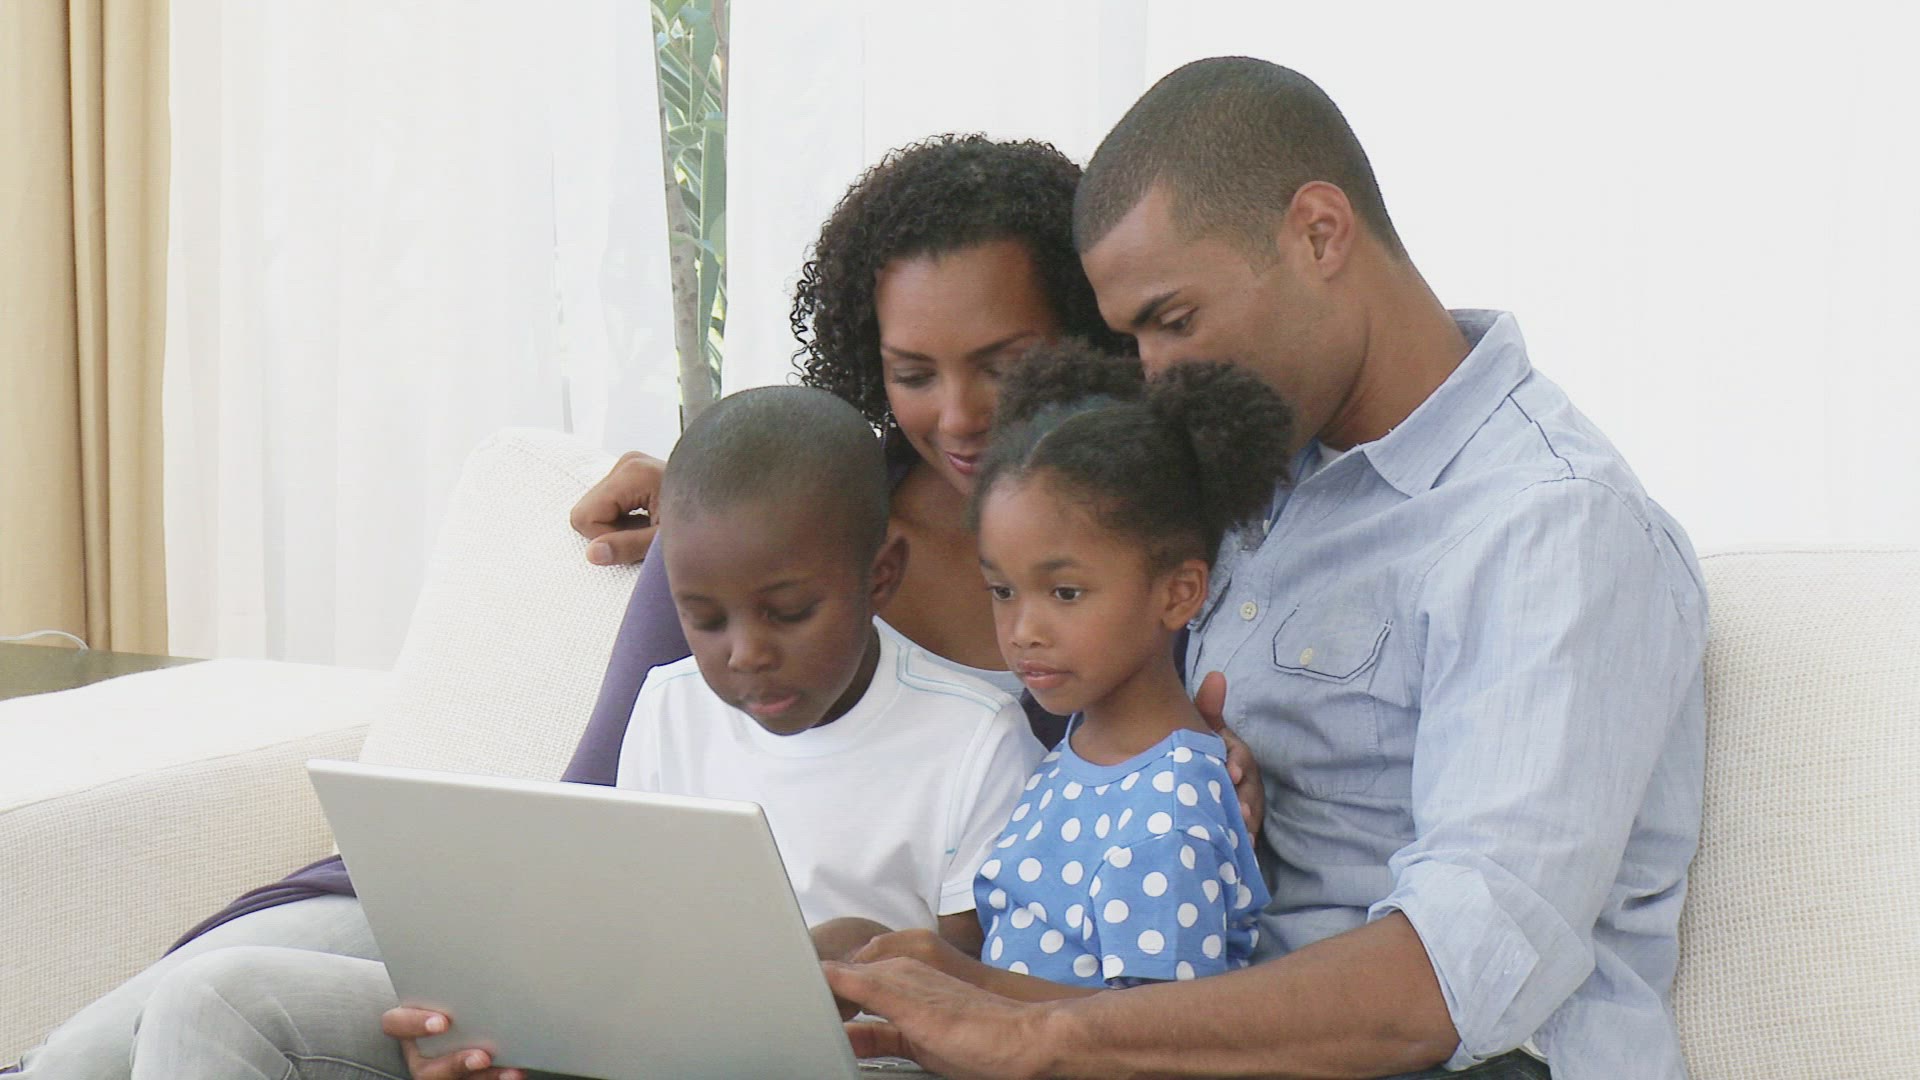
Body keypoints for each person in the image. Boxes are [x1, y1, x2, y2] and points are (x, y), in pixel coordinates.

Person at [15, 134, 1266, 1080]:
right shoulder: (775, 527)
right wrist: (528, 989)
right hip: (537, 926)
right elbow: (592, 819)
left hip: (817, 1010)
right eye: (912, 372)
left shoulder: (1131, 556)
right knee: (113, 1041)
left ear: (1085, 338)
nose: (960, 413)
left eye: (1002, 363)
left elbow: (1116, 836)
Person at [825, 57, 1707, 1080]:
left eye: (1174, 320)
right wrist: (971, 987)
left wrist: (1041, 1036)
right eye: (1132, 338)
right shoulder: (1246, 476)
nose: (1156, 374)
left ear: (1319, 234)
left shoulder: (1548, 524)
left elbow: (1455, 979)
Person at [114, 386, 1046, 1079]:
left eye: (789, 613)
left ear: (880, 575)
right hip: (635, 1040)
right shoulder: (670, 704)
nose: (745, 655)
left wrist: (845, 965)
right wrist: (502, 1017)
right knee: (219, 999)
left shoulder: (975, 740)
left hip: (852, 1060)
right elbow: (622, 939)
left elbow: (983, 994)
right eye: (704, 619)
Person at [831, 343, 1292, 1005]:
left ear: (1178, 593)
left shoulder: (1169, 813)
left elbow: (1157, 1033)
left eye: (1065, 593)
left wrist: (953, 982)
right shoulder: (1082, 750)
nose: (1023, 630)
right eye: (1002, 591)